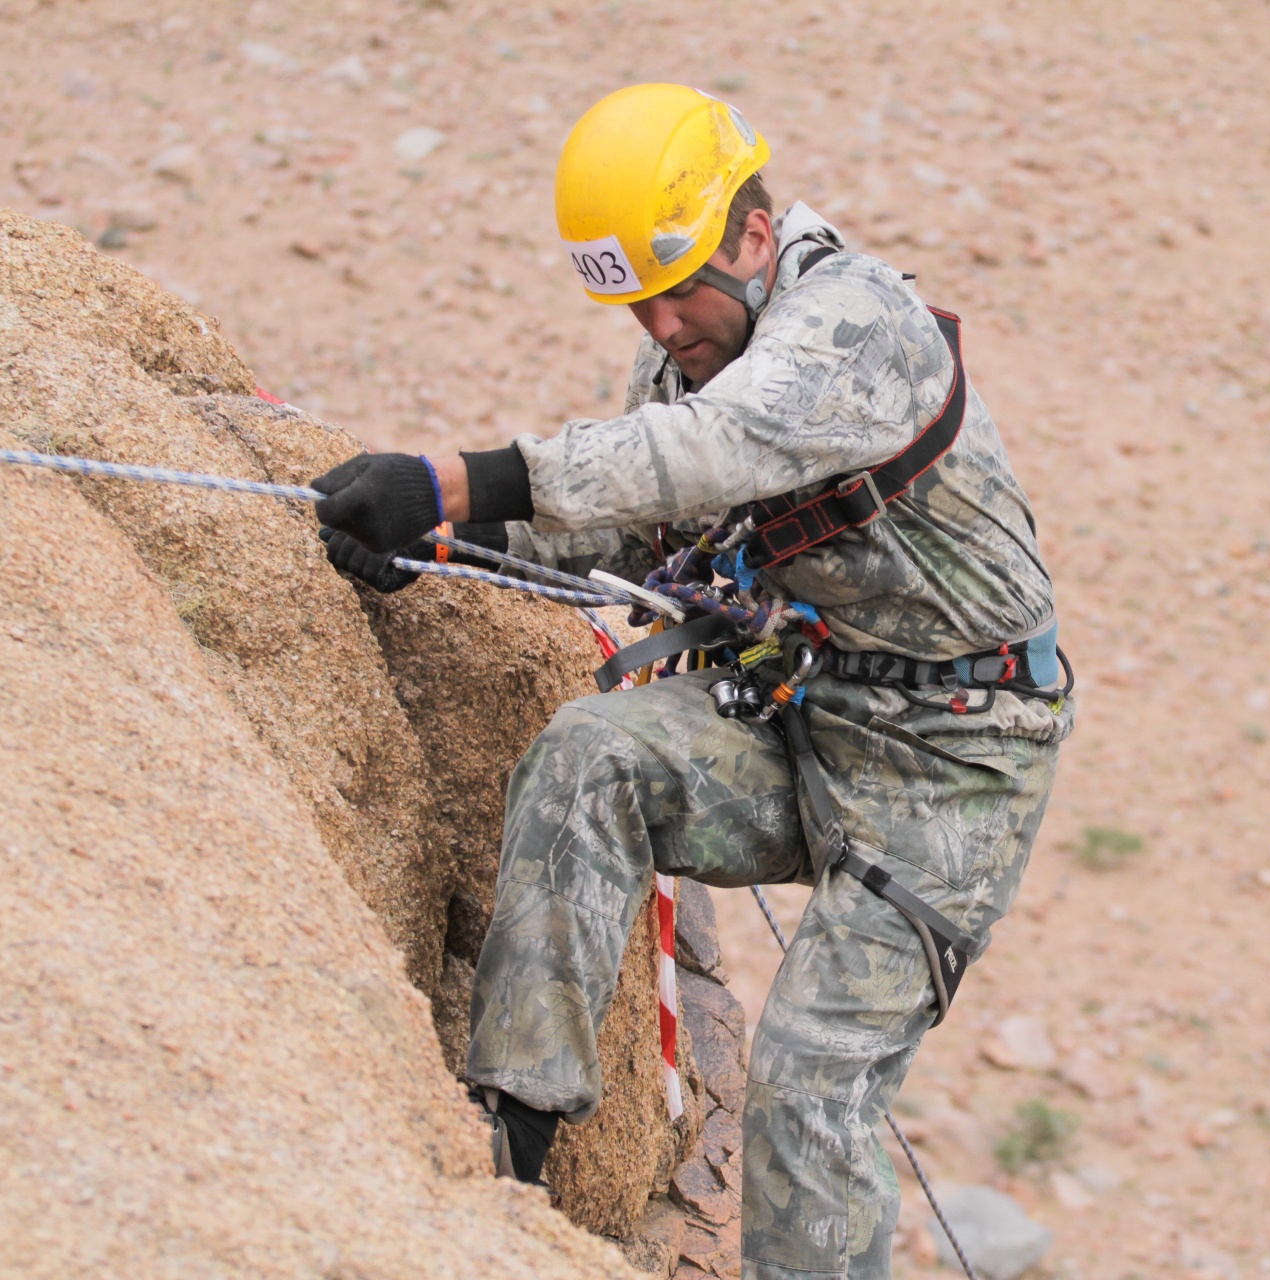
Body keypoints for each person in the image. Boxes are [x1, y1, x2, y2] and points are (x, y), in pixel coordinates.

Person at [309, 83, 1069, 1279]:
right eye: (634, 302)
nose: (659, 326)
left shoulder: (860, 326)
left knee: (811, 1083)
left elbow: (710, 450)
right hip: (809, 722)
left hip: (955, 770)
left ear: (755, 236)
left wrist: (456, 480)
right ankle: (506, 1148)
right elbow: (625, 533)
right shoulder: (687, 369)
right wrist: (439, 544)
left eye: (675, 291)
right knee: (587, 755)